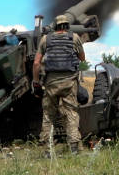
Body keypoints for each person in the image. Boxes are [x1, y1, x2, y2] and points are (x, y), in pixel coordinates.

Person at [32, 15, 85, 154]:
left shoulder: (45, 39)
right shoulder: (74, 38)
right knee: (71, 113)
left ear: (55, 25)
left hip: (51, 84)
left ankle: (48, 150)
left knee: (48, 115)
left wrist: (36, 82)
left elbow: (37, 63)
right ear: (67, 25)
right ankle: (74, 148)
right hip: (69, 82)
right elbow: (82, 58)